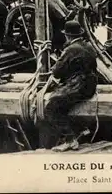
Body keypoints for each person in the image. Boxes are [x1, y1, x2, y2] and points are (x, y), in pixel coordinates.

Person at [44, 20, 98, 152]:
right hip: (90, 85)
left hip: (80, 86)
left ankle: (70, 140)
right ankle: (81, 129)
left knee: (51, 106)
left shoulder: (71, 49)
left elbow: (56, 71)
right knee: (63, 102)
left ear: (67, 36)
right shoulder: (88, 45)